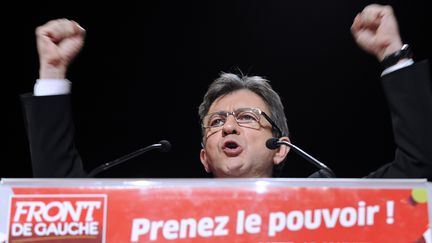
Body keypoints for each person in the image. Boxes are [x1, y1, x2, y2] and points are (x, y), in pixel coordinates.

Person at [21, 4, 432, 179]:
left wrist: (393, 55)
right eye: (216, 122)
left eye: (247, 117)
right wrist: (53, 73)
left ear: (281, 146)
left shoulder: (328, 209)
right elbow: (63, 202)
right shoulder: (160, 216)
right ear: (204, 155)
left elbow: (415, 167)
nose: (227, 127)